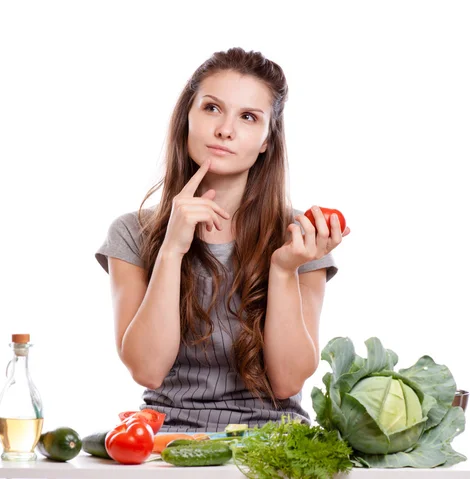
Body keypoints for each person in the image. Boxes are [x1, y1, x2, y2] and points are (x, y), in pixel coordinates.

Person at [95, 47, 350, 432]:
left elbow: (287, 381)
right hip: (169, 442)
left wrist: (283, 270)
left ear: (267, 140)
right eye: (212, 108)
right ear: (187, 118)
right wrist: (171, 251)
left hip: (275, 443)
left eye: (248, 117)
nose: (225, 129)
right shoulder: (133, 232)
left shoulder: (300, 236)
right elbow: (147, 370)